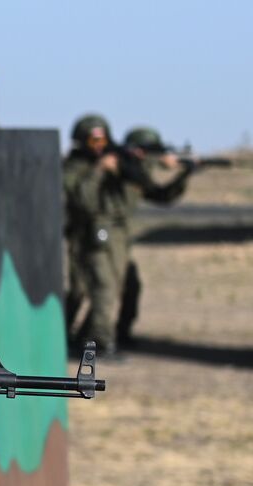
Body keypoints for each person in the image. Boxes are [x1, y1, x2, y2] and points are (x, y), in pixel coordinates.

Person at [63, 119, 193, 356]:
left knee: (122, 286)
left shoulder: (128, 168)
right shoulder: (77, 168)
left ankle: (98, 335)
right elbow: (84, 202)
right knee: (93, 289)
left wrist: (182, 174)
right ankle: (93, 340)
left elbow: (158, 194)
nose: (99, 146)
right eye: (94, 140)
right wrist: (100, 171)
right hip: (92, 235)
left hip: (118, 236)